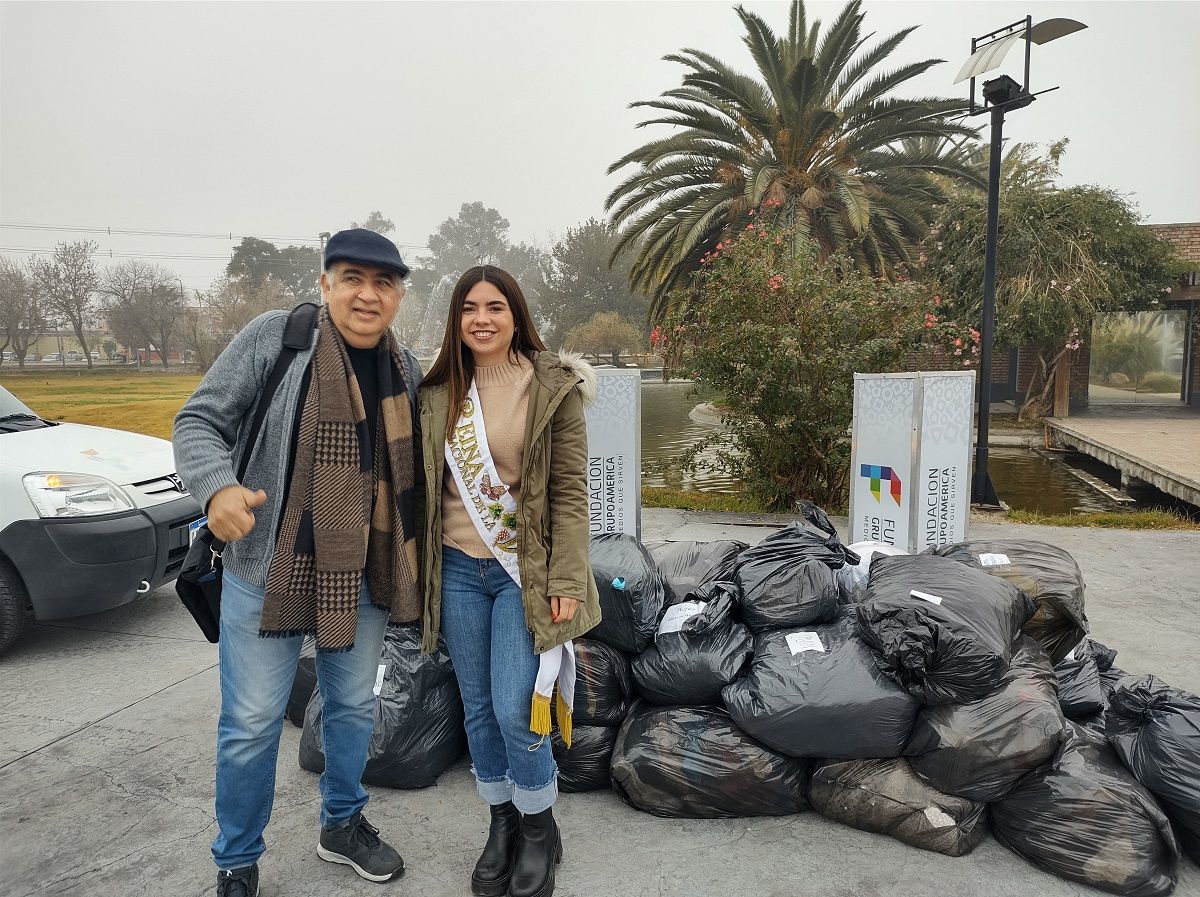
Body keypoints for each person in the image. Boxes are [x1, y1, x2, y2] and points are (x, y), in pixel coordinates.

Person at [174, 229, 422, 897]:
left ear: (399, 294)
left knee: (350, 709)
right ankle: (236, 858)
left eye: (383, 282)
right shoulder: (276, 339)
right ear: (326, 284)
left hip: (363, 576)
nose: (367, 294)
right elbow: (197, 421)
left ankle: (341, 822)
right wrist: (217, 487)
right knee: (251, 723)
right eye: (352, 278)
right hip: (265, 570)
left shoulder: (407, 368)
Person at [418, 265, 601, 897]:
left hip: (522, 574)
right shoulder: (439, 390)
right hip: (457, 572)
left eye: (495, 306)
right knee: (476, 709)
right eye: (469, 308)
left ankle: (539, 829)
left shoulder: (552, 387)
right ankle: (501, 824)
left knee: (517, 707)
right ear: (456, 319)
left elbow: (572, 494)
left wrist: (569, 576)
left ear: (516, 314)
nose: (482, 319)